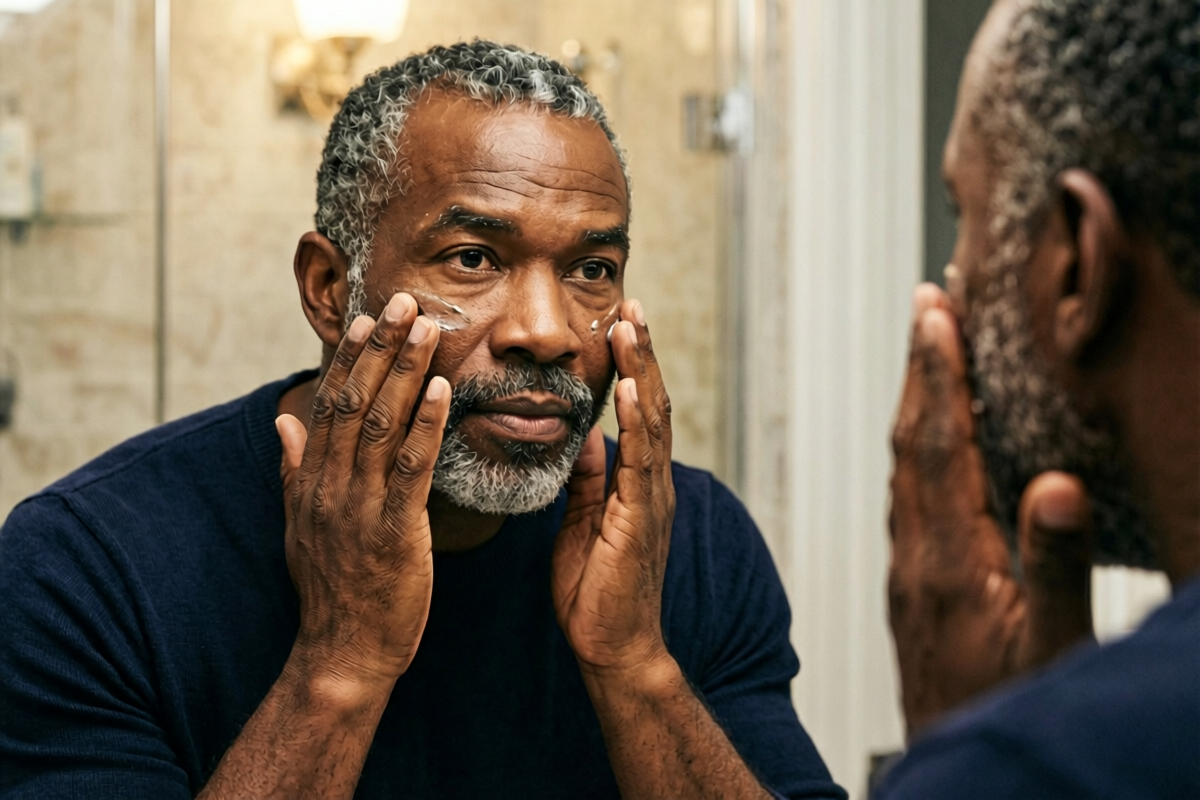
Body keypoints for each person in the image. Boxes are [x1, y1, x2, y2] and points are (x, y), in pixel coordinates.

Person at [0, 42, 844, 800]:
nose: (546, 332)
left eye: (592, 268)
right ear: (330, 289)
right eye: (474, 259)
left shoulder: (691, 546)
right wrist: (341, 666)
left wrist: (635, 668)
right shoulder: (88, 567)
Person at [882, 0, 1199, 797]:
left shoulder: (1034, 767)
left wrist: (980, 750)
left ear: (1076, 269)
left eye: (966, 216)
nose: (949, 291)